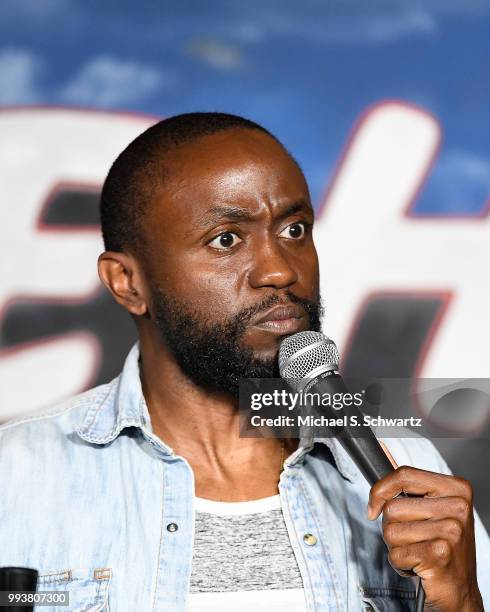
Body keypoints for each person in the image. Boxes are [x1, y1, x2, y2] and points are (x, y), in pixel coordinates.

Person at [0, 112, 488, 612]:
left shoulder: (409, 469)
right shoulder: (17, 476)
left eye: (295, 229)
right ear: (128, 282)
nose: (279, 270)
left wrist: (460, 599)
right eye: (226, 239)